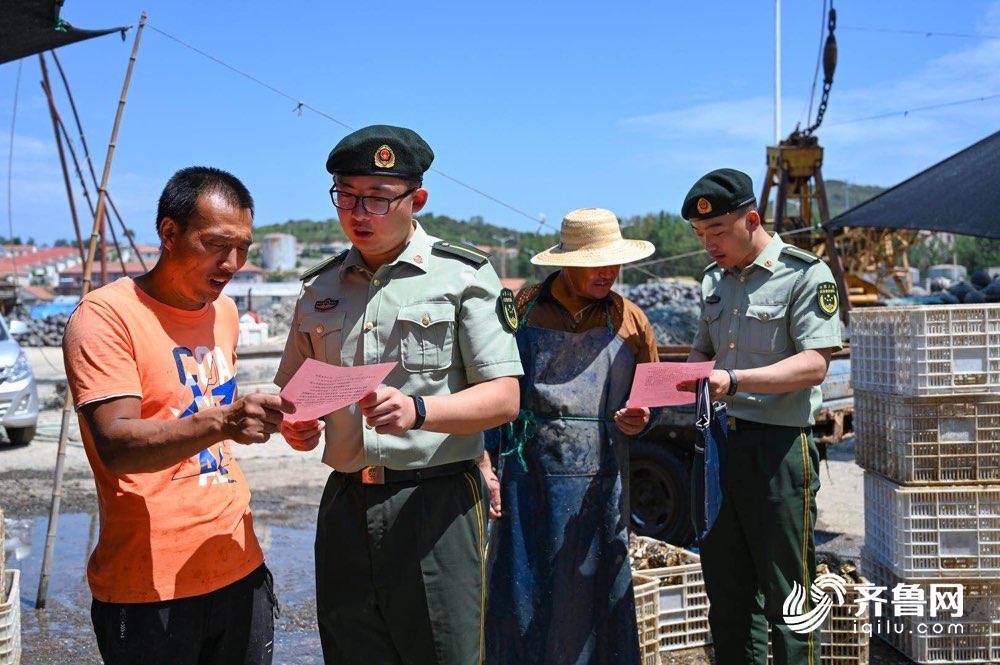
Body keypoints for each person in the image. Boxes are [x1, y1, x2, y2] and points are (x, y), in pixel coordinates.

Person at [275, 124, 523, 664]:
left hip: (436, 502)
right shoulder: (319, 289)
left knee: (444, 653)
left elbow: (504, 397)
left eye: (379, 199)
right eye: (347, 196)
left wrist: (418, 411)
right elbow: (293, 397)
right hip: (345, 501)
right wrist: (295, 427)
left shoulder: (463, 275)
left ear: (417, 199)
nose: (359, 213)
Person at [63, 166, 291, 664]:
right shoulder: (105, 316)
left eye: (244, 247)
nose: (232, 263)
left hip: (239, 564)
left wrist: (281, 422)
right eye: (216, 244)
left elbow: (209, 412)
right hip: (148, 585)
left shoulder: (225, 313)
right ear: (169, 233)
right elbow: (117, 444)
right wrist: (225, 421)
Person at [677, 168, 843, 665]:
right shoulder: (714, 282)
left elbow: (815, 363)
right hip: (719, 446)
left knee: (788, 593)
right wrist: (662, 389)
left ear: (751, 219)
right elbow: (701, 355)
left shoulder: (804, 274)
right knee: (727, 589)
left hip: (779, 449)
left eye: (718, 232)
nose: (709, 245)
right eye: (700, 235)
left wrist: (737, 380)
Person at [484, 207, 657, 665]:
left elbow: (651, 396)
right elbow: (487, 391)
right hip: (526, 479)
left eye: (614, 263)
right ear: (566, 262)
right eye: (595, 263)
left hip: (601, 483)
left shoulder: (632, 320)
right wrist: (485, 466)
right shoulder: (519, 311)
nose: (608, 273)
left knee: (594, 602)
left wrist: (642, 419)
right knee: (523, 599)